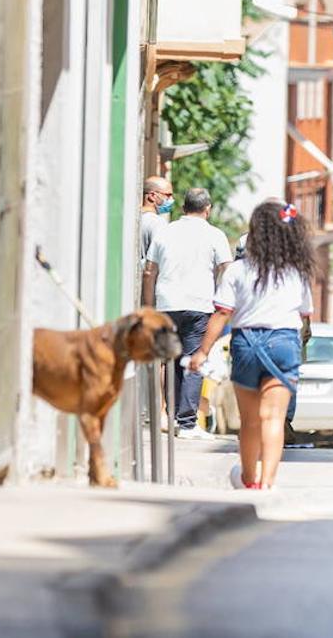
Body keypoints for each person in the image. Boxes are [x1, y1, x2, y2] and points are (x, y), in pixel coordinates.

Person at [189, 201, 316, 489]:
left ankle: (249, 480)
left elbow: (222, 313)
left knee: (250, 422)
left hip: (246, 343)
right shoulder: (297, 273)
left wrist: (202, 352)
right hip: (284, 343)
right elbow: (305, 313)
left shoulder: (237, 271)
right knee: (273, 418)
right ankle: (268, 482)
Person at [143, 188, 233, 439]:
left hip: (166, 305)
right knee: (194, 360)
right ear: (208, 209)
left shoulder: (165, 231)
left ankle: (172, 418)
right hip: (199, 305)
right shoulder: (215, 234)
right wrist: (221, 298)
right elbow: (227, 269)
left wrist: (148, 307)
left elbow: (149, 272)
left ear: (183, 208)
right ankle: (188, 423)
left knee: (170, 360)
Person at [139, 175, 174, 261]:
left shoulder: (133, 218)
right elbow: (161, 257)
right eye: (168, 195)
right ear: (152, 196)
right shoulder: (157, 223)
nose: (171, 200)